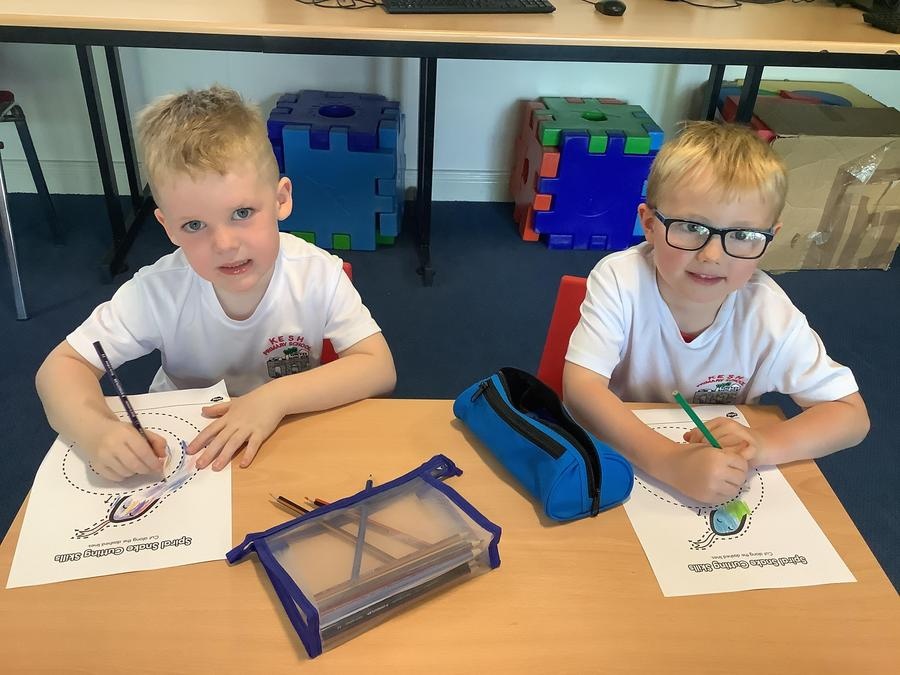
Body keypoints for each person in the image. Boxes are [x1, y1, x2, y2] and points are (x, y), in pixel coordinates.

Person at [36, 85, 396, 481]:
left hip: (286, 426)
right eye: (194, 225)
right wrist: (96, 432)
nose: (224, 244)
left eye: (242, 213)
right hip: (188, 447)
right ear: (168, 228)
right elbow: (60, 368)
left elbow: (378, 367)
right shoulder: (158, 290)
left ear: (281, 200)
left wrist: (274, 399)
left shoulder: (317, 274)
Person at [563, 121, 869, 504]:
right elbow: (581, 388)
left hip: (719, 470)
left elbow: (851, 416)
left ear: (769, 238)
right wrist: (670, 461)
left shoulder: (768, 313)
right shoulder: (620, 280)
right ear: (650, 225)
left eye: (742, 236)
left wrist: (761, 444)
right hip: (623, 452)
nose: (712, 255)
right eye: (691, 227)